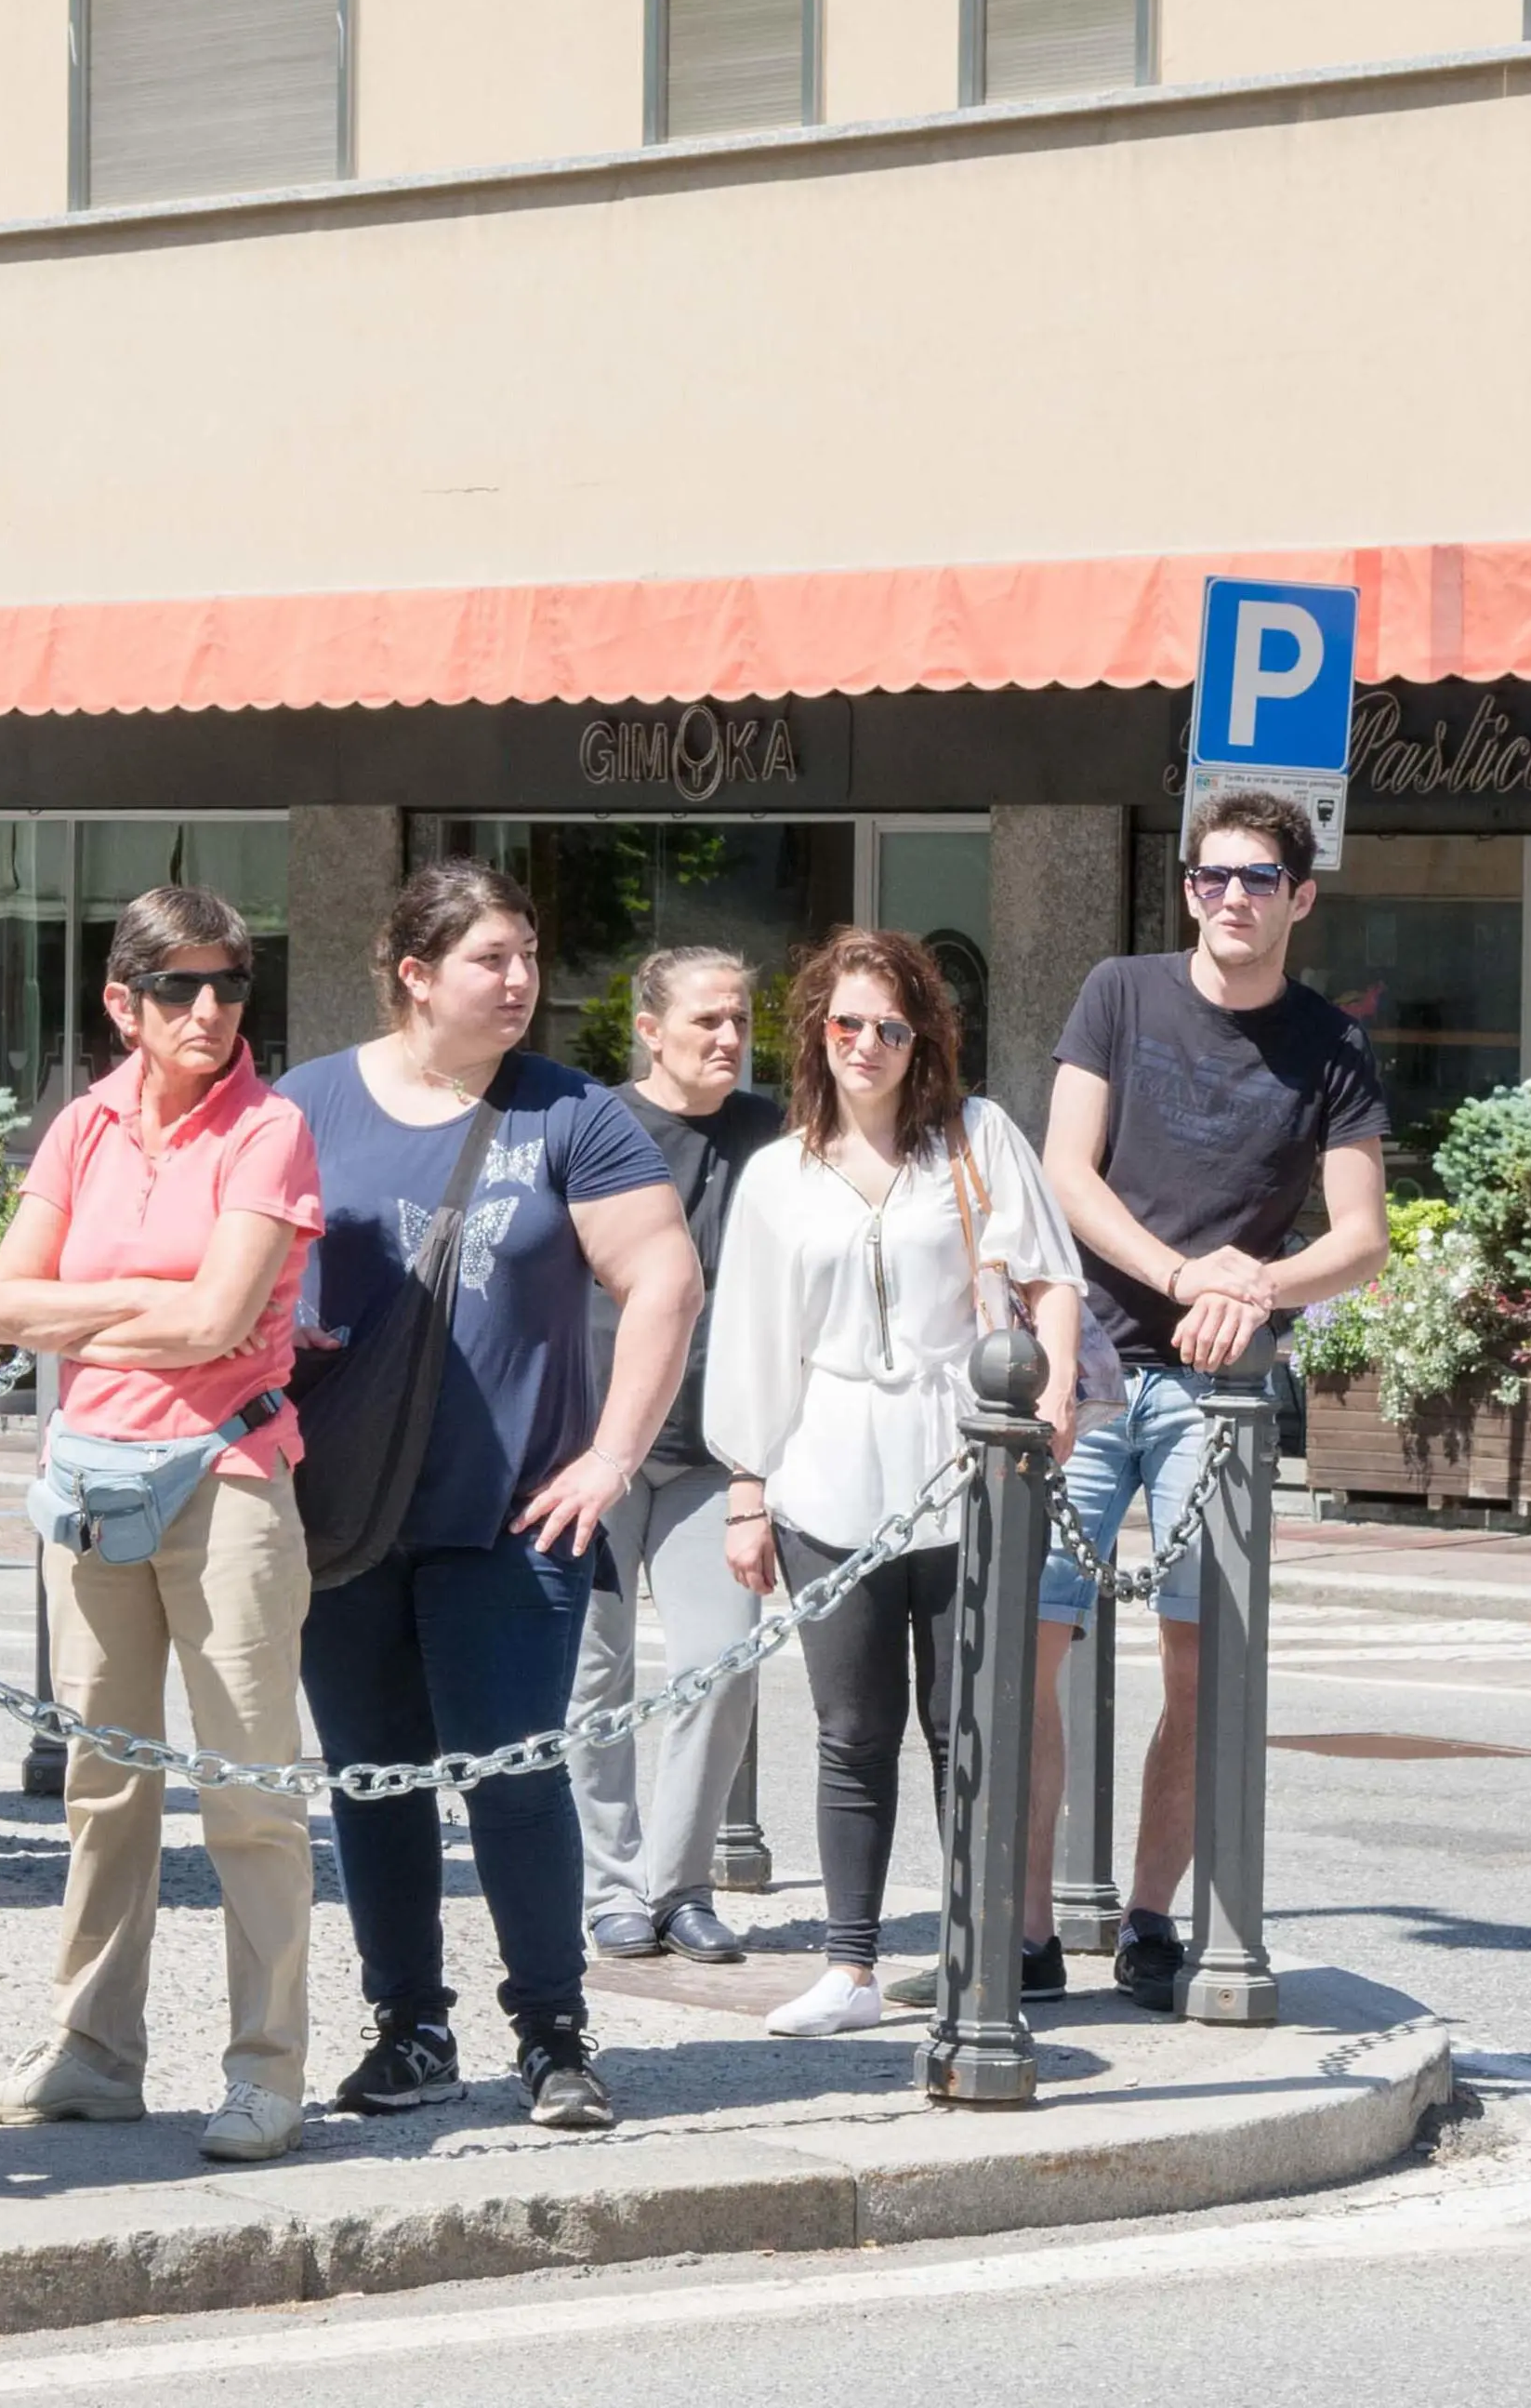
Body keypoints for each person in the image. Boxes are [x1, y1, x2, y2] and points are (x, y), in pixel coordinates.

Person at [278, 860, 703, 2130]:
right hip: (344, 1510)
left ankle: (553, 2034)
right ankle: (408, 2027)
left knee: (514, 1774)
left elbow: (664, 1281)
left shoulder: (571, 1113)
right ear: (414, 974)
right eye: (491, 960)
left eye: (526, 955)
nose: (521, 981)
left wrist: (611, 1457)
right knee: (374, 1779)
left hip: (517, 1514)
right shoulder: (304, 1107)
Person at [0, 888, 323, 2163]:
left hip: (226, 1479)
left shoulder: (268, 1130)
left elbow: (218, 1323)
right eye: (181, 988)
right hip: (94, 1479)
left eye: (229, 986)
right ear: (123, 1002)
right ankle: (94, 2055)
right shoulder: (83, 1125)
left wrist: (84, 1308)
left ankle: (267, 2069)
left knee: (250, 1795)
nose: (211, 1011)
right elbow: (1, 1306)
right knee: (103, 1787)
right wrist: (137, 1300)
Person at [1018, 787, 1389, 2011]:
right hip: (1087, 1360)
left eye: (1258, 879)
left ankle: (1147, 1920)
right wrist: (1183, 1272)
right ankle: (1021, 1927)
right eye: (1213, 876)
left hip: (1217, 1391)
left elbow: (1360, 1238)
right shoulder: (1119, 993)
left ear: (1300, 896)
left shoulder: (1330, 1046)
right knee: (1030, 1645)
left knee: (1199, 1665)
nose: (1233, 897)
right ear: (1188, 887)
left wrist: (1255, 1284)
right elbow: (1065, 1173)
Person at [706, 929, 1082, 2037]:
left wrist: (1050, 1402)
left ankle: (977, 1957)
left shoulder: (974, 1139)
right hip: (827, 1465)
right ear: (815, 1034)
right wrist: (747, 1485)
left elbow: (1050, 1279)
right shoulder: (778, 1174)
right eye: (844, 1024)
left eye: (890, 1026)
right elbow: (753, 1343)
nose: (864, 1045)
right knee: (850, 1730)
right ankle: (851, 1964)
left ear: (925, 1041)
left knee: (967, 1724)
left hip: (961, 1458)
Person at [565, 947, 781, 1965]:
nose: (729, 1040)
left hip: (713, 1453)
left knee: (720, 1663)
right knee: (590, 1677)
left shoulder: (771, 1134)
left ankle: (679, 1885)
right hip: (594, 1446)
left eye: (739, 1020)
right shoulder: (591, 1123)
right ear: (648, 1028)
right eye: (706, 1022)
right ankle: (608, 1887)